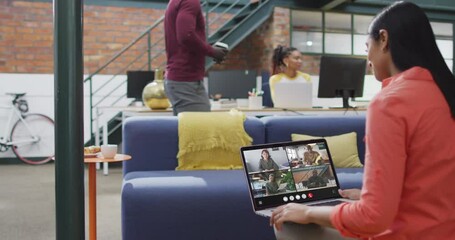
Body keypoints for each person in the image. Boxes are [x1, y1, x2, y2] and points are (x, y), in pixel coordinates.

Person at [270, 2, 455, 239]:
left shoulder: (390, 103)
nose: (367, 58)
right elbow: (430, 182)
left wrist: (307, 212)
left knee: (289, 226)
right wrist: (375, 195)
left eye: (368, 46)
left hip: (407, 233)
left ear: (384, 39)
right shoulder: (445, 94)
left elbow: (372, 218)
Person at [164, 0, 228, 116]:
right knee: (201, 131)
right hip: (186, 81)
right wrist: (212, 51)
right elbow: (186, 36)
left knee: (186, 132)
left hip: (180, 80)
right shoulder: (190, 1)